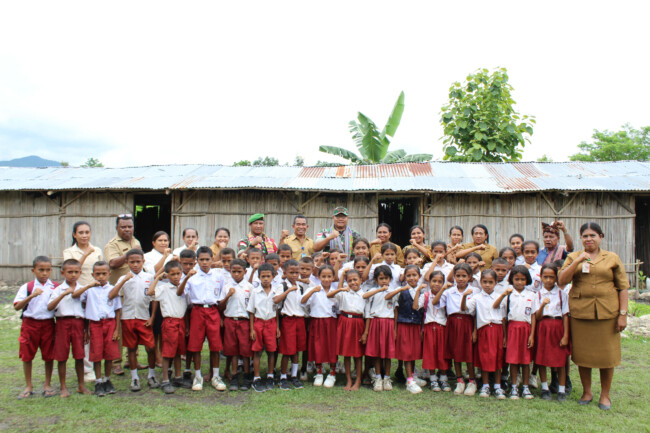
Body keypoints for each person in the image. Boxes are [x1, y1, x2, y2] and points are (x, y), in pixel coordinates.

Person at [558, 222, 628, 411]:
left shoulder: (612, 258)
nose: (589, 239)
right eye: (585, 236)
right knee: (583, 356)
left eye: (593, 235)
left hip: (608, 313)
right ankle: (587, 392)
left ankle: (605, 394)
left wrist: (623, 314)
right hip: (581, 313)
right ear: (581, 239)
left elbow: (623, 287)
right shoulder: (573, 256)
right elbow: (562, 281)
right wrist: (578, 261)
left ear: (601, 237)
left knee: (608, 356)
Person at [178, 246, 227, 392]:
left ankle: (216, 376)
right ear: (196, 261)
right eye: (201, 260)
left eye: (207, 259)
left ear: (212, 259)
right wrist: (186, 277)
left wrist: (221, 316)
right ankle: (198, 376)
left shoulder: (218, 276)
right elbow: (179, 293)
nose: (204, 262)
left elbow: (221, 297)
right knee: (195, 345)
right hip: (197, 311)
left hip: (213, 310)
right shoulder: (192, 276)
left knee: (215, 345)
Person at [109, 249, 158, 392]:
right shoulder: (124, 278)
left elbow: (154, 299)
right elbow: (112, 295)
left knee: (151, 347)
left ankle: (151, 375)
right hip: (128, 317)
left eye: (138, 262)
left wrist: (152, 317)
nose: (135, 265)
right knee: (131, 348)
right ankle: (134, 378)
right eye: (132, 262)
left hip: (144, 318)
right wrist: (124, 279)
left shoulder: (149, 277)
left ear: (143, 262)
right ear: (127, 262)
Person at [73, 261, 122, 397]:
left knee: (109, 353)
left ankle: (107, 380)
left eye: (104, 274)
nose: (101, 277)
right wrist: (86, 330)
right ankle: (98, 381)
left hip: (110, 323)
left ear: (109, 274)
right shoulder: (89, 290)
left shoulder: (112, 289)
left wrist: (117, 329)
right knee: (97, 353)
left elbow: (118, 310)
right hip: (95, 324)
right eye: (98, 274)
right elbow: (76, 296)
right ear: (92, 274)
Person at [62, 221, 103, 382]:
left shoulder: (97, 250)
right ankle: (87, 369)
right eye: (81, 233)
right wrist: (86, 254)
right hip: (78, 292)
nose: (84, 235)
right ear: (74, 235)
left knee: (94, 328)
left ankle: (96, 363)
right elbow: (73, 268)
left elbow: (101, 269)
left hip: (94, 293)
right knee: (82, 331)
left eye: (87, 232)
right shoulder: (69, 251)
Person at [14, 256, 58, 399]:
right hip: (30, 324)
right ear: (33, 271)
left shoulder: (55, 287)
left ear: (51, 270)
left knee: (49, 355)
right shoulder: (27, 287)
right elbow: (17, 306)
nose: (44, 273)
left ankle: (47, 384)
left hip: (48, 324)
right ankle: (29, 385)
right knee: (27, 355)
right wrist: (31, 296)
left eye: (47, 270)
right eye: (40, 270)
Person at [47, 259, 91, 397]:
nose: (73, 275)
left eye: (76, 272)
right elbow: (50, 307)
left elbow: (87, 309)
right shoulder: (58, 290)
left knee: (79, 355)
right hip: (62, 323)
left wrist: (86, 330)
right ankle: (63, 387)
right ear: (62, 273)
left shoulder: (83, 289)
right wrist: (63, 294)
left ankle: (81, 386)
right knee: (62, 356)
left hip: (79, 323)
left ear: (80, 273)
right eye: (69, 272)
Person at [493, 265, 538, 400]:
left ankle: (525, 387)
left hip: (526, 329)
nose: (519, 282)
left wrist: (532, 335)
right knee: (513, 360)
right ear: (511, 279)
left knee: (525, 361)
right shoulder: (509, 295)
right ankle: (513, 386)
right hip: (512, 329)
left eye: (522, 279)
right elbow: (504, 317)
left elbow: (534, 316)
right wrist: (505, 336)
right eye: (516, 279)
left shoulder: (532, 295)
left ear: (527, 280)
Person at [104, 214, 141, 375]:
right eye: (123, 227)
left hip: (134, 292)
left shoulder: (136, 242)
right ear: (117, 228)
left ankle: (132, 359)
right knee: (117, 327)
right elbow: (112, 264)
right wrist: (130, 254)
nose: (127, 229)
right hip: (119, 292)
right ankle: (116, 362)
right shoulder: (111, 245)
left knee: (133, 325)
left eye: (130, 226)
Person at [462, 270, 506, 399]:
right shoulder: (476, 297)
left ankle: (497, 386)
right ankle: (485, 385)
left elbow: (503, 318)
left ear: (496, 283)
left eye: (490, 282)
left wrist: (505, 336)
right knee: (484, 358)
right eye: (484, 282)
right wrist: (464, 297)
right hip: (484, 330)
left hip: (497, 329)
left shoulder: (500, 297)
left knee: (498, 358)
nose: (487, 285)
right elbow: (466, 310)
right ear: (480, 282)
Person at [147, 261, 189, 394]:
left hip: (181, 321)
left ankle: (177, 376)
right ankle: (165, 379)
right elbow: (150, 292)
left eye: (178, 274)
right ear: (168, 275)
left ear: (182, 273)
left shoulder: (184, 287)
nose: (176, 277)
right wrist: (157, 278)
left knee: (178, 351)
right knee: (167, 352)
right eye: (172, 274)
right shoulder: (164, 288)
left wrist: (186, 325)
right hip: (169, 322)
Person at [386, 265, 426, 394]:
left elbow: (422, 311)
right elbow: (395, 309)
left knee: (413, 353)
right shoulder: (401, 290)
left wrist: (421, 328)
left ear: (419, 277)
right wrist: (395, 329)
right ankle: (409, 381)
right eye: (408, 276)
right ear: (405, 277)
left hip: (415, 325)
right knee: (407, 353)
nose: (412, 278)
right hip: (404, 324)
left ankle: (412, 375)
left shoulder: (423, 292)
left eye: (414, 275)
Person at [439, 263, 477, 396]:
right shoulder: (449, 292)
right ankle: (460, 381)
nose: (461, 279)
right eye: (458, 276)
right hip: (453, 323)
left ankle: (472, 381)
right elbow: (440, 307)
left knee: (468, 353)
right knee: (456, 353)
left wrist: (474, 331)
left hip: (467, 323)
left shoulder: (475, 292)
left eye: (464, 276)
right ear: (454, 276)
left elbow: (476, 313)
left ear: (470, 277)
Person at [536, 264, 570, 402]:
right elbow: (537, 316)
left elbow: (566, 315)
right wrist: (543, 305)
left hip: (558, 327)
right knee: (542, 359)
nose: (549, 280)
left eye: (552, 277)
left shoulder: (562, 294)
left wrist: (566, 335)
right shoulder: (538, 294)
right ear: (541, 277)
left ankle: (561, 390)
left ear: (556, 278)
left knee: (560, 360)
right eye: (546, 277)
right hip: (543, 326)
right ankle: (544, 388)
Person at [328, 269, 367, 391]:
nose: (353, 282)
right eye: (349, 280)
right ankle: (349, 380)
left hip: (358, 322)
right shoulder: (344, 293)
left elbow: (369, 315)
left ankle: (358, 380)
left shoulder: (365, 294)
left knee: (357, 354)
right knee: (346, 353)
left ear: (361, 280)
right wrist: (341, 286)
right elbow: (330, 295)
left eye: (355, 279)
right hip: (344, 321)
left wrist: (365, 332)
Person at [219, 259, 254, 391]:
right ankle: (234, 375)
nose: (236, 274)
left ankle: (246, 375)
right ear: (230, 272)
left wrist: (251, 328)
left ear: (245, 272)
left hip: (244, 321)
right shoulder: (227, 286)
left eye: (239, 272)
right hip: (230, 320)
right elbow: (220, 306)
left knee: (245, 351)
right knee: (232, 350)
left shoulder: (250, 288)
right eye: (234, 271)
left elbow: (251, 309)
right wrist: (228, 295)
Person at [301, 265, 338, 388]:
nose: (326, 279)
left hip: (331, 322)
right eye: (323, 276)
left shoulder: (335, 289)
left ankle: (332, 373)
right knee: (318, 346)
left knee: (332, 347)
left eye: (329, 276)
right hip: (316, 321)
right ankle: (319, 372)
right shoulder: (314, 289)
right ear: (319, 277)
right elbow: (303, 302)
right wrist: (312, 290)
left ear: (333, 277)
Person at [273, 260, 307, 390]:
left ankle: (294, 375)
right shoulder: (283, 286)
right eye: (291, 272)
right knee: (287, 351)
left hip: (300, 320)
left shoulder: (301, 286)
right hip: (288, 320)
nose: (294, 275)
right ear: (285, 272)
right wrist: (289, 290)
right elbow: (276, 300)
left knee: (296, 350)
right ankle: (282, 377)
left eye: (296, 273)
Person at [247, 263, 282, 393]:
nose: (266, 279)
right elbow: (251, 311)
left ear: (273, 276)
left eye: (268, 276)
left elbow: (277, 310)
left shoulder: (276, 291)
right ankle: (256, 377)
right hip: (258, 323)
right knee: (257, 351)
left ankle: (270, 375)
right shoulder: (255, 292)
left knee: (271, 350)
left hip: (272, 323)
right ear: (259, 277)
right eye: (263, 276)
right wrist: (252, 329)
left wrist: (278, 327)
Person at [414, 271, 451, 392]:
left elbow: (440, 304)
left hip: (442, 326)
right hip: (429, 326)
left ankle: (444, 378)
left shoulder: (446, 295)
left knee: (442, 353)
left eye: (440, 282)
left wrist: (444, 290)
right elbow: (415, 307)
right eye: (434, 281)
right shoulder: (425, 295)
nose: (437, 284)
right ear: (429, 282)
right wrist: (417, 291)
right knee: (430, 353)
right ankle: (433, 378)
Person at [363, 265, 397, 392]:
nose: (384, 281)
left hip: (388, 323)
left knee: (388, 354)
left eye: (386, 278)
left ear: (390, 279)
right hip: (376, 323)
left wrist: (395, 330)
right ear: (376, 280)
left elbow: (395, 311)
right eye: (381, 278)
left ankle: (387, 378)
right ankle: (378, 378)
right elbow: (365, 299)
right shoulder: (372, 292)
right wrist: (379, 290)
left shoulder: (393, 292)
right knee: (376, 353)